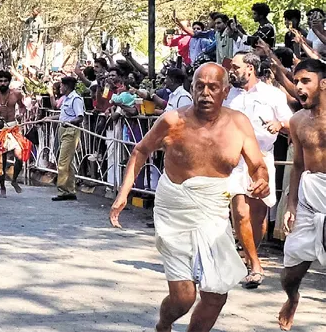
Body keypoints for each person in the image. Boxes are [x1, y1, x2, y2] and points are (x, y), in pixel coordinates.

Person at [110, 63, 269, 332]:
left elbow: (257, 164)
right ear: (192, 88)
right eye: (199, 87)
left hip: (214, 211)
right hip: (175, 208)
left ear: (225, 91)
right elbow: (140, 150)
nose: (205, 93)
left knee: (217, 293)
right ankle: (164, 324)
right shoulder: (173, 120)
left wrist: (261, 179)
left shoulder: (239, 124)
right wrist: (124, 192)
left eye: (213, 87)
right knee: (184, 297)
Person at [224, 52, 292, 289]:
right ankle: (254, 264)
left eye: (235, 66)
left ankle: (250, 253)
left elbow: (290, 122)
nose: (231, 71)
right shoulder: (228, 94)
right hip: (235, 161)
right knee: (240, 213)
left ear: (250, 68)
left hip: (262, 159)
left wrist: (280, 124)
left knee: (258, 219)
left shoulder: (272, 94)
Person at [278, 59, 326, 330]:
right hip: (309, 196)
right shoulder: (296, 120)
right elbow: (297, 165)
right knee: (289, 274)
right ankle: (292, 298)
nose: (298, 86)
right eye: (296, 81)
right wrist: (291, 205)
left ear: (323, 83)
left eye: (305, 81)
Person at [0, 70, 30, 195]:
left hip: (13, 128)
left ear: (9, 82)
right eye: (1, 81)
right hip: (0, 130)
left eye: (5, 81)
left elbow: (22, 106)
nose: (3, 83)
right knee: (1, 160)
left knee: (20, 155)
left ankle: (14, 180)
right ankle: (2, 187)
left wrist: (22, 114)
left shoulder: (16, 94)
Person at [49, 76, 84, 201]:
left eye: (62, 86)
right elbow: (63, 115)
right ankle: (70, 189)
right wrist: (49, 118)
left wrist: (69, 122)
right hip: (63, 129)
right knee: (67, 163)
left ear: (67, 86)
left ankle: (62, 190)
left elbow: (80, 117)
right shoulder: (66, 99)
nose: (60, 88)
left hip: (70, 131)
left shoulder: (76, 99)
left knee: (63, 162)